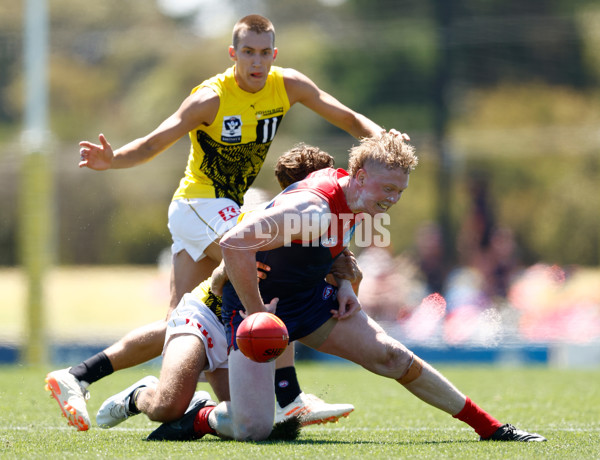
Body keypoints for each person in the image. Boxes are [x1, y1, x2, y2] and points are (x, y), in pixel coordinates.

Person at [46, 14, 400, 431]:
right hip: (198, 204)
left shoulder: (287, 86)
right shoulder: (210, 98)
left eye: (264, 52)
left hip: (223, 209)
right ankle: (291, 396)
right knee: (271, 263)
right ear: (233, 54)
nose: (256, 61)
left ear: (274, 54)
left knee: (182, 323)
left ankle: (81, 376)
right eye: (247, 52)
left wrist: (385, 141)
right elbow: (156, 141)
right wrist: (114, 160)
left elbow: (345, 117)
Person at [146, 132, 546, 443]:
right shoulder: (312, 209)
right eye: (387, 189)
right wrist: (256, 311)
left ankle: (491, 428)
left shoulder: (355, 194)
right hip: (261, 306)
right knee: (254, 429)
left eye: (399, 192)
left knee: (391, 356)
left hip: (309, 301)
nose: (393, 199)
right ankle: (198, 415)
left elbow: (333, 238)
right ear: (359, 176)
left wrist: (344, 283)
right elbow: (235, 243)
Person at [45, 145, 355, 431]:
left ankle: (199, 409)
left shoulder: (323, 223)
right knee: (169, 405)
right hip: (208, 318)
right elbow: (240, 263)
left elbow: (340, 260)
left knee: (246, 424)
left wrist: (344, 281)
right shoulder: (273, 220)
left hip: (234, 333)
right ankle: (139, 394)